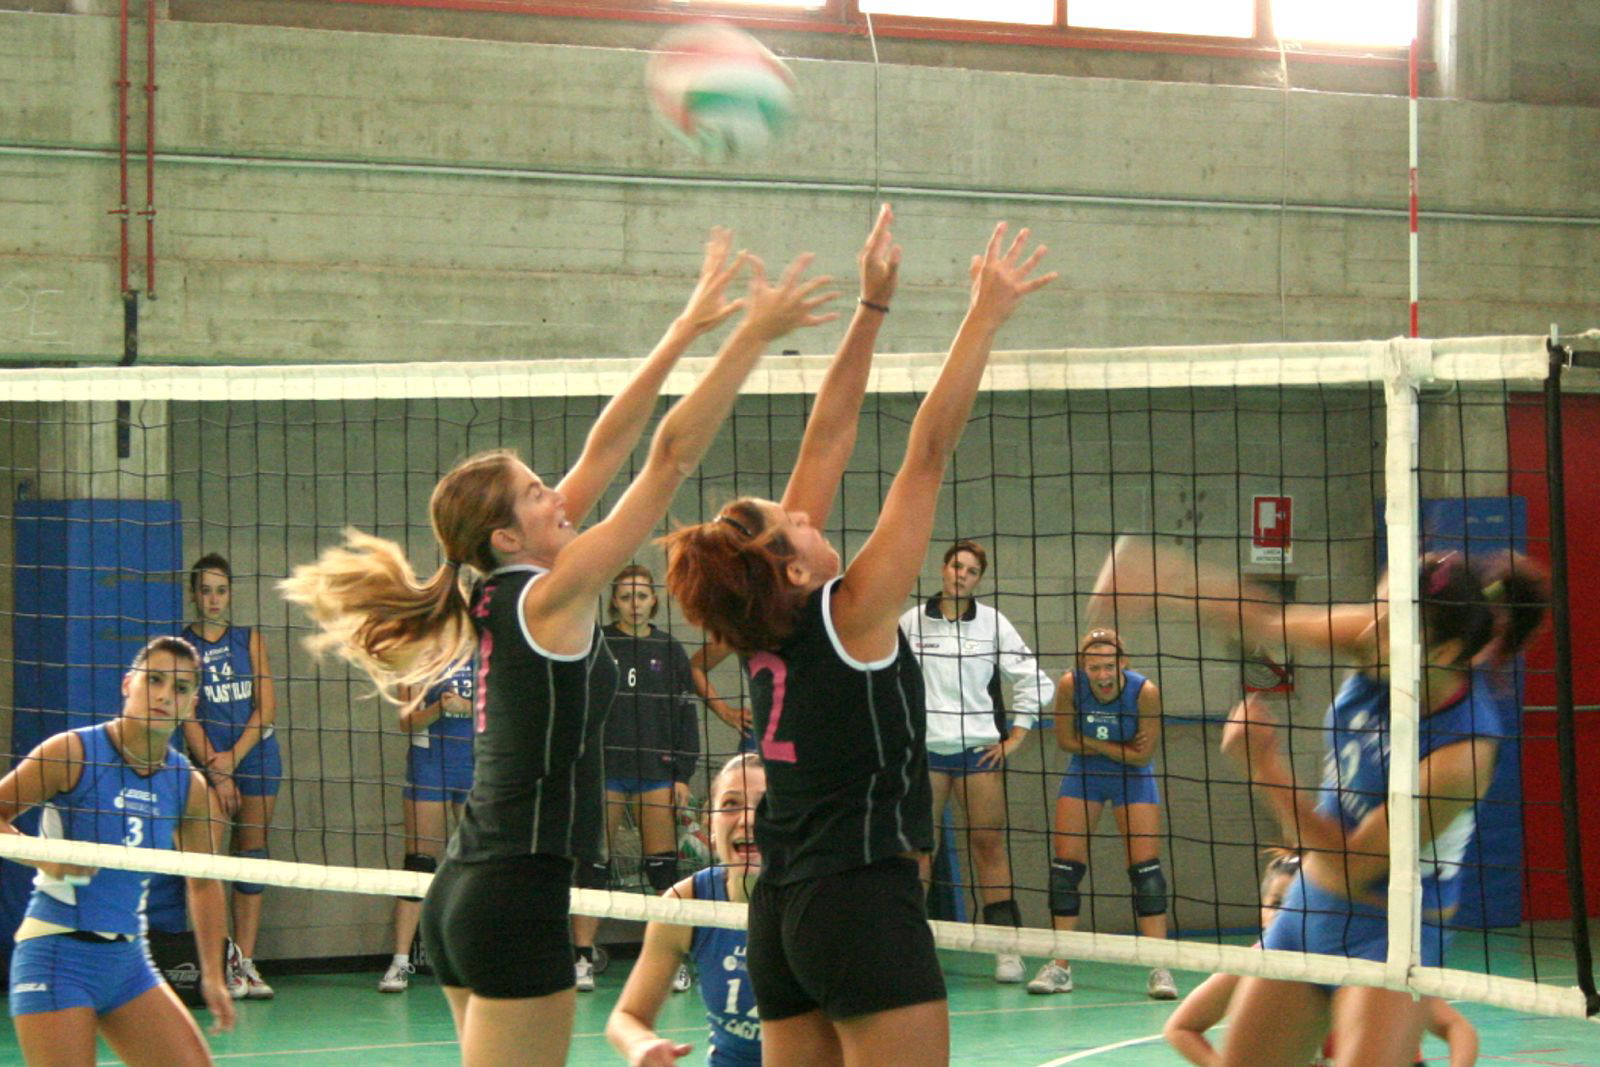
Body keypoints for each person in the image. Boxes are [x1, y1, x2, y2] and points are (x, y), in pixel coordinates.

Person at [281, 226, 837, 1067]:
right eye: (540, 493)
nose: (559, 496)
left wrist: (685, 328)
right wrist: (750, 339)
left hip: (468, 890)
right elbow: (667, 458)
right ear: (508, 533)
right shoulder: (551, 594)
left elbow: (605, 447)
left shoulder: (499, 585)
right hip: (514, 895)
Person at [664, 210, 1056, 1067]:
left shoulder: (767, 620)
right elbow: (927, 453)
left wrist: (873, 307)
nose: (809, 514)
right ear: (791, 568)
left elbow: (828, 433)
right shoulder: (850, 614)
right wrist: (984, 314)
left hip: (782, 908)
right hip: (861, 902)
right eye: (794, 523)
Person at [1090, 543, 1543, 1067]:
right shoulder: (1381, 637)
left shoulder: (1463, 752)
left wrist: (1266, 769)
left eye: (1389, 621)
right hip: (1309, 911)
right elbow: (1265, 619)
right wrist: (1167, 577)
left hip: (1389, 936)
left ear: (1442, 653)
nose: (1370, 628)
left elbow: (1354, 865)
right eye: (1377, 606)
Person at [1, 636, 235, 1066]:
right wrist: (44, 856)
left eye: (181, 688)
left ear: (192, 705)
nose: (164, 695)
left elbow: (203, 883)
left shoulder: (188, 785)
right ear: (129, 684)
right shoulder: (72, 753)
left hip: (129, 963)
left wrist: (214, 976)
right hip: (58, 955)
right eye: (155, 680)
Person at [899, 538, 1054, 984]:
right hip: (927, 754)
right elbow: (888, 678)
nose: (961, 575)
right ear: (943, 569)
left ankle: (1006, 949)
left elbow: (1035, 680)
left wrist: (1018, 733)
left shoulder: (993, 624)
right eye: (956, 566)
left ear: (978, 579)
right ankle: (909, 948)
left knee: (988, 845)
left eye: (970, 570)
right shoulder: (911, 622)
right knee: (918, 851)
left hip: (978, 752)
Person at [1162, 851, 1479, 1067]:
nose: (1287, 914)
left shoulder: (1362, 963)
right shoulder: (1257, 963)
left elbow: (1460, 1030)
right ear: (1261, 910)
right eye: (1276, 904)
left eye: (1299, 904)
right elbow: (1181, 1028)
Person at [573, 563, 702, 995]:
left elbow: (686, 716)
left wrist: (682, 773)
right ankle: (582, 957)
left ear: (654, 600)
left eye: (642, 596)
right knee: (593, 863)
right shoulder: (597, 642)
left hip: (655, 771)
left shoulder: (669, 649)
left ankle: (671, 961)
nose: (634, 604)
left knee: (663, 868)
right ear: (614, 600)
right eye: (626, 596)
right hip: (605, 770)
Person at [1027, 626, 1174, 999]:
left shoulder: (1145, 692)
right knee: (1064, 872)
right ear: (1083, 666)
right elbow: (1065, 741)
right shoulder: (1069, 685)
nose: (1103, 675)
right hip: (1085, 776)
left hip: (1133, 780)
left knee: (1147, 874)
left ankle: (1159, 968)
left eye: (1109, 666)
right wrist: (1117, 745)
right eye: (1094, 668)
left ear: (1123, 662)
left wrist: (1089, 740)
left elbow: (1141, 756)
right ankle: (1060, 966)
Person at [606, 753, 766, 1067]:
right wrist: (641, 1045)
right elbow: (626, 1016)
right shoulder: (687, 901)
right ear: (710, 825)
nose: (747, 819)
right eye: (731, 804)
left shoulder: (824, 904)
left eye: (764, 806)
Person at [179, 553, 280, 1000]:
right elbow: (185, 714)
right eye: (206, 591)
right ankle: (218, 962)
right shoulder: (182, 648)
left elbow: (267, 708)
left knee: (252, 854)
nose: (214, 599)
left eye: (221, 590)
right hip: (208, 766)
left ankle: (246, 963)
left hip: (256, 757)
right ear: (193, 594)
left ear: (231, 593)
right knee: (211, 862)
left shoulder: (249, 639)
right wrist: (217, 772)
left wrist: (232, 761)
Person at [379, 655, 476, 993]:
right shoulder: (416, 655)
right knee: (419, 863)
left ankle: (478, 957)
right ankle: (399, 962)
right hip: (430, 766)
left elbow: (501, 712)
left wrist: (467, 707)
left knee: (481, 864)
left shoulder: (484, 649)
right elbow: (406, 722)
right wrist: (440, 707)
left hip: (475, 764)